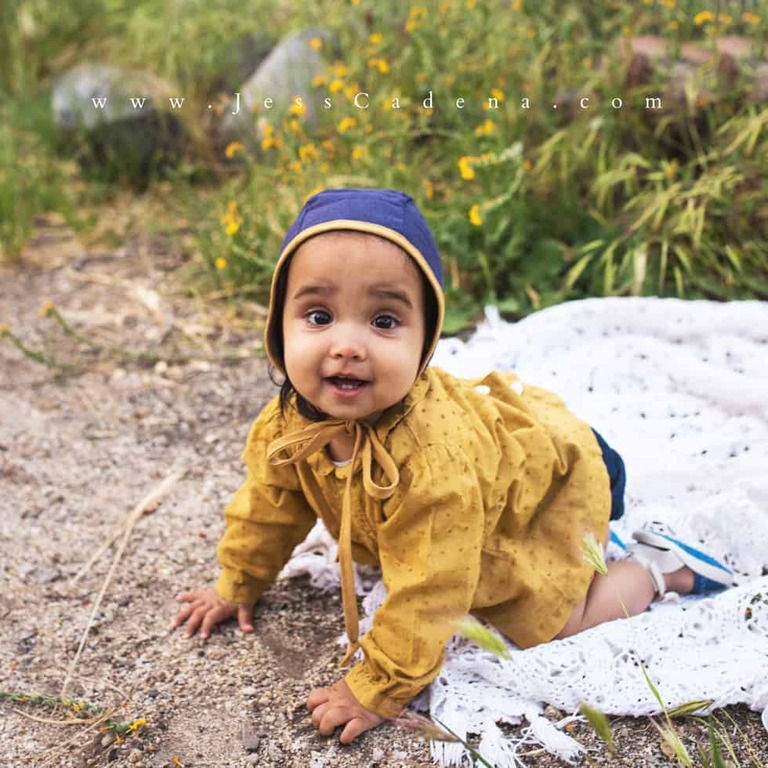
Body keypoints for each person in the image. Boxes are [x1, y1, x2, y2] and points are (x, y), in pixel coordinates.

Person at [170, 188, 737, 744]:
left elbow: (433, 589)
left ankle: (660, 567)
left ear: (426, 341)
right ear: (278, 327)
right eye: (319, 316)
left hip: (554, 481)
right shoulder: (287, 425)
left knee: (553, 622)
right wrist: (237, 582)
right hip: (490, 475)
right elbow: (267, 508)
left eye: (384, 321)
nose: (347, 345)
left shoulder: (432, 461)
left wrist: (378, 686)